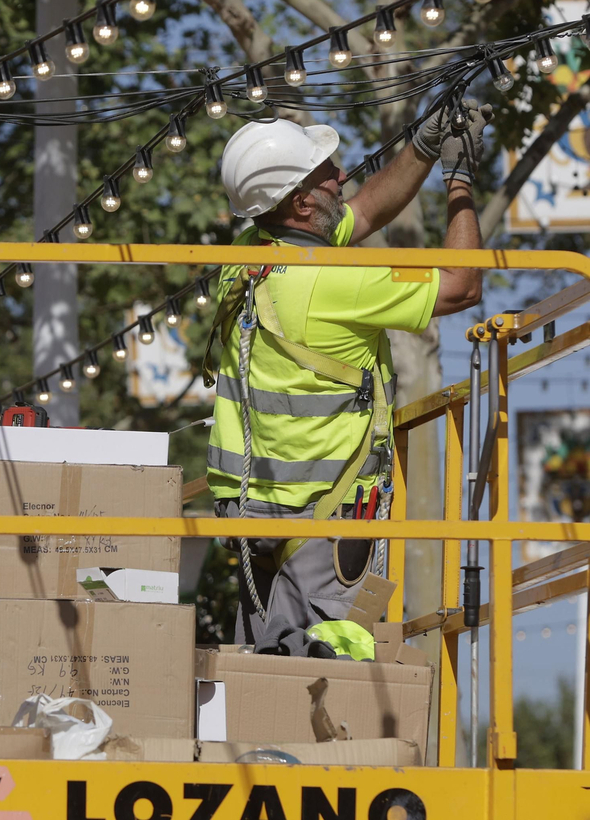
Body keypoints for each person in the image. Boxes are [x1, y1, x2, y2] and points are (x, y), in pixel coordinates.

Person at [206, 105, 488, 648]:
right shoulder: (334, 278)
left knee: (260, 668)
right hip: (324, 512)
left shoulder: (247, 259)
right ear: (301, 202)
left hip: (250, 511)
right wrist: (460, 179)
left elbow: (363, 212)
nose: (341, 177)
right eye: (326, 173)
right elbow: (462, 286)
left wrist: (425, 148)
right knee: (328, 669)